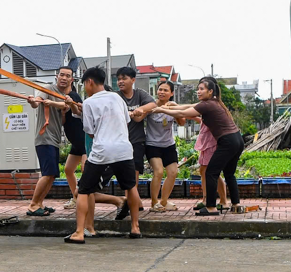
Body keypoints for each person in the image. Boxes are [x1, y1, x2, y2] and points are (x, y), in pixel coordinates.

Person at [65, 66, 142, 243]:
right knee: (130, 187)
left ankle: (79, 232)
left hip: (102, 151)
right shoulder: (117, 97)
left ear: (90, 82)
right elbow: (127, 121)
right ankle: (135, 227)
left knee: (83, 190)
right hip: (124, 149)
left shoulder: (90, 102)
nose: (85, 87)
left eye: (84, 84)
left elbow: (90, 132)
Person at [155, 77, 243, 216]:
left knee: (210, 172)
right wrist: (170, 106)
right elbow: (187, 107)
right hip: (237, 139)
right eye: (198, 88)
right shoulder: (214, 102)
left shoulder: (207, 104)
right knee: (229, 173)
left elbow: (183, 113)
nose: (198, 91)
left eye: (202, 89)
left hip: (227, 141)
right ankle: (236, 204)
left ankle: (211, 207)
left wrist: (160, 110)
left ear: (210, 91)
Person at [96, 67, 159, 220]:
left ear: (133, 80)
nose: (121, 82)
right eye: (118, 79)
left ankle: (132, 205)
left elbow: (153, 105)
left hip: (136, 142)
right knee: (118, 176)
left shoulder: (140, 94)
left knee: (133, 176)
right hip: (117, 143)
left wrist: (139, 110)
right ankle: (130, 204)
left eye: (124, 78)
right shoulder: (115, 96)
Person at [24, 66, 76, 216]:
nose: (64, 78)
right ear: (56, 76)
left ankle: (40, 203)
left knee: (52, 174)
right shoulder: (48, 89)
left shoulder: (64, 96)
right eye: (62, 75)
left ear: (71, 79)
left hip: (54, 139)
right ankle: (33, 205)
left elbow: (65, 108)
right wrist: (32, 101)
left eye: (67, 76)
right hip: (44, 138)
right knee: (47, 173)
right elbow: (37, 102)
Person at [145, 80, 185, 212]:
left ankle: (164, 201)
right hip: (152, 145)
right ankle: (154, 202)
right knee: (159, 172)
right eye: (160, 89)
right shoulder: (151, 106)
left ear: (171, 93)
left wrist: (173, 109)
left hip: (168, 145)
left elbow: (182, 123)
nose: (162, 92)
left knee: (173, 172)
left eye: (165, 90)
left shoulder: (172, 106)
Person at [192, 122, 228, 212]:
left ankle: (223, 201)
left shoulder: (210, 108)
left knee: (212, 172)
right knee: (203, 170)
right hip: (207, 143)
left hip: (211, 143)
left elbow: (192, 109)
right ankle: (206, 198)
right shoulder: (208, 111)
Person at [62, 84, 86, 210]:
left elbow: (79, 111)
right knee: (68, 169)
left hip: (83, 140)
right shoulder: (62, 100)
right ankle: (75, 198)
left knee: (85, 170)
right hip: (75, 142)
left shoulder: (73, 96)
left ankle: (82, 198)